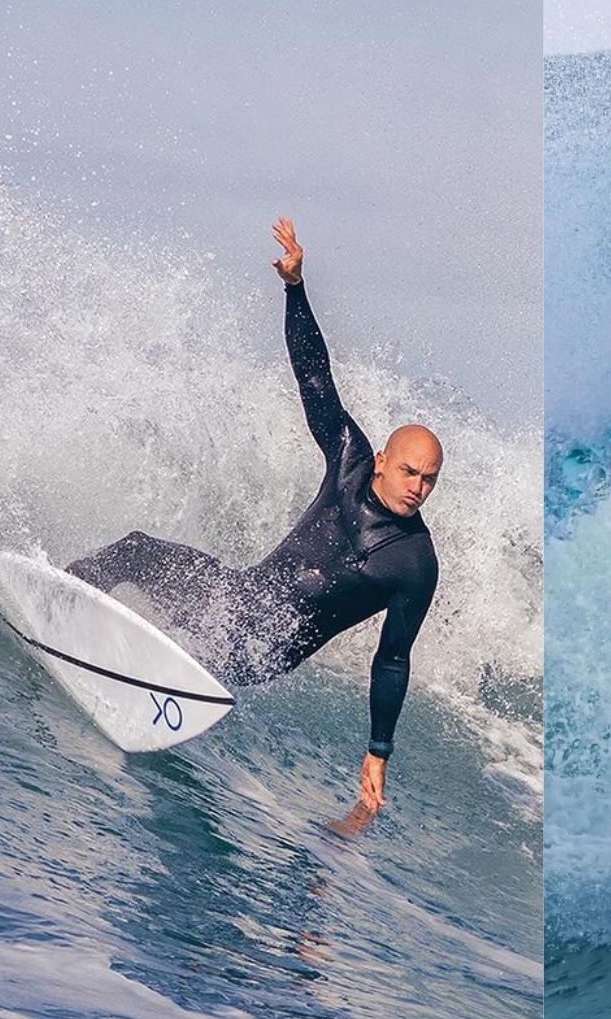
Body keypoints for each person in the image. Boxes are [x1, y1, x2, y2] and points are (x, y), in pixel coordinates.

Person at [69, 218, 442, 825]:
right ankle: (59, 598)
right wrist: (295, 288)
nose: (417, 489)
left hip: (264, 648)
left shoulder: (413, 564)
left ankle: (141, 686)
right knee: (135, 549)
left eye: (428, 481)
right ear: (383, 461)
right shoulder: (348, 458)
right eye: (409, 473)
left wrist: (378, 754)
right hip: (236, 597)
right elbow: (315, 378)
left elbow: (393, 658)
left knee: (210, 643)